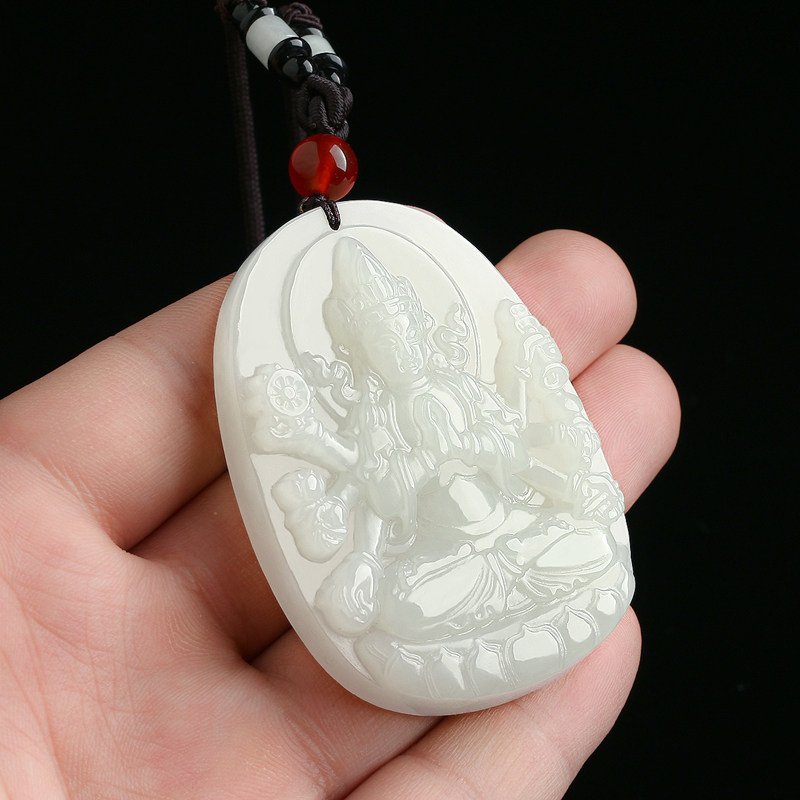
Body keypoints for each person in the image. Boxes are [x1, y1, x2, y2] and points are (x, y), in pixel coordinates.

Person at [0, 226, 679, 797]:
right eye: (378, 336)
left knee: (583, 546)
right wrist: (378, 534)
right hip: (445, 563)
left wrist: (526, 448)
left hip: (515, 533)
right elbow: (381, 508)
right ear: (356, 346)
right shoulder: (373, 417)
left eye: (402, 327)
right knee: (404, 610)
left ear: (417, 324)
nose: (396, 343)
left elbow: (516, 460)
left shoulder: (459, 390)